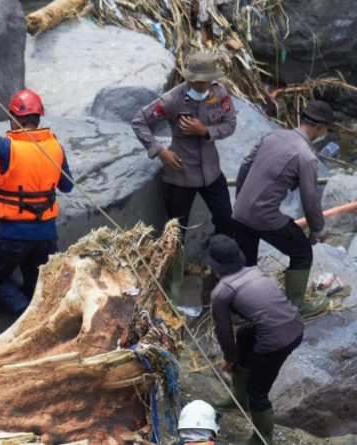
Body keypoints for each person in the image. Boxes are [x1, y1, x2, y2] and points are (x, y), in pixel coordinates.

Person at [131, 50, 237, 303]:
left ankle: (217, 272)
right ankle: (172, 287)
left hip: (211, 172)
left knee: (226, 219)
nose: (202, 85)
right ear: (189, 78)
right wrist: (160, 151)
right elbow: (139, 121)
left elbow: (230, 124)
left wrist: (205, 131)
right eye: (197, 81)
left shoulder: (219, 94)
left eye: (205, 81)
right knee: (175, 232)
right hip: (180, 173)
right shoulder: (172, 100)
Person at [0, 79, 73, 313]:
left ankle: (23, 313)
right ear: (38, 118)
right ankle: (38, 311)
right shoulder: (56, 148)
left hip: (14, 235)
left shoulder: (6, 147)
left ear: (13, 117)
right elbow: (67, 186)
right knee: (36, 281)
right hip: (46, 234)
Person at [231, 100, 334, 316]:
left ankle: (238, 315)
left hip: (240, 212)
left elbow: (245, 164)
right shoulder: (306, 157)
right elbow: (310, 198)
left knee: (247, 263)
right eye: (324, 129)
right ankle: (296, 306)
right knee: (302, 252)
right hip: (264, 216)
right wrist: (318, 229)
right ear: (319, 128)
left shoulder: (272, 135)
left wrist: (241, 198)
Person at [205, 234, 303, 445]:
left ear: (214, 266)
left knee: (257, 392)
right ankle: (238, 399)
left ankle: (262, 439)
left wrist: (230, 358)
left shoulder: (220, 293)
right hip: (296, 326)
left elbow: (224, 332)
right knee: (244, 335)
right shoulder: (255, 271)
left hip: (274, 341)